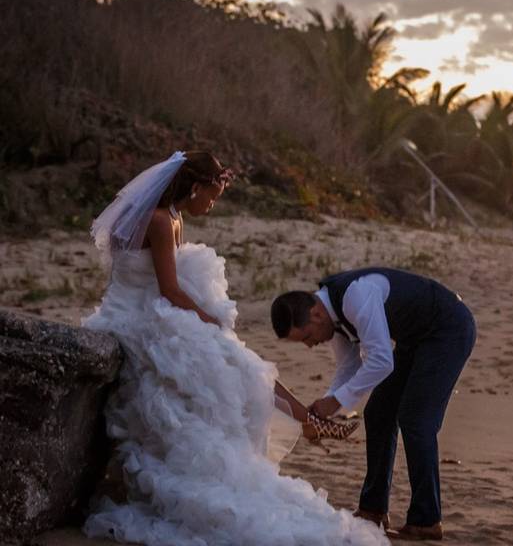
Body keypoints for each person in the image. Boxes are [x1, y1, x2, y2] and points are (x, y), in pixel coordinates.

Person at [82, 151, 385, 546]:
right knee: (230, 358)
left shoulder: (174, 217)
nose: (213, 202)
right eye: (212, 193)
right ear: (194, 186)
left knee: (242, 360)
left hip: (157, 309)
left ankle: (310, 420)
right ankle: (310, 421)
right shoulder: (158, 220)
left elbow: (172, 289)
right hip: (135, 317)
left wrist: (208, 320)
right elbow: (169, 289)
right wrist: (207, 319)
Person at [271, 268, 477, 541]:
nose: (310, 345)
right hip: (414, 339)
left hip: (449, 330)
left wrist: (335, 402)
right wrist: (326, 404)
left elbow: (381, 361)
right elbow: (349, 365)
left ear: (316, 314)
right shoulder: (331, 316)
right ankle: (373, 510)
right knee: (378, 414)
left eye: (307, 337)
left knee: (416, 420)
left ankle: (426, 520)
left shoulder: (357, 295)